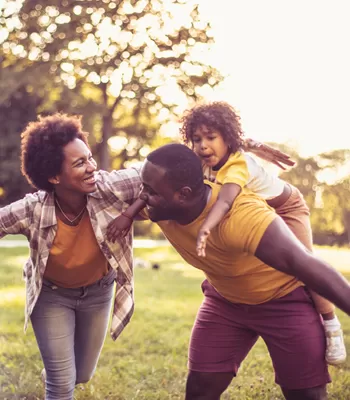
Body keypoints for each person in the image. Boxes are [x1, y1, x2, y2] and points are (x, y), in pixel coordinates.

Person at [139, 143, 350, 400]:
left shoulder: (241, 217)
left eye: (150, 191)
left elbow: (305, 264)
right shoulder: (159, 202)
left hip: (285, 300)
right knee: (200, 389)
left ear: (183, 194)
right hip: (226, 302)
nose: (140, 196)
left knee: (306, 394)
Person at [178, 101, 346, 365]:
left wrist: (206, 228)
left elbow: (225, 201)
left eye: (210, 137)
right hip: (256, 212)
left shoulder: (237, 164)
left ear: (227, 139)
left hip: (286, 208)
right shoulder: (204, 160)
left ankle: (331, 323)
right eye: (196, 139)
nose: (202, 145)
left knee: (306, 266)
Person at [0, 113, 143, 400]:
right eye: (80, 163)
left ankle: (56, 371)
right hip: (51, 296)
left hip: (98, 291)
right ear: (54, 176)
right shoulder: (34, 209)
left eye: (90, 158)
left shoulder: (109, 188)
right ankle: (56, 375)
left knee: (82, 374)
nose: (92, 167)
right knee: (62, 382)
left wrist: (130, 213)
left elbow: (156, 176)